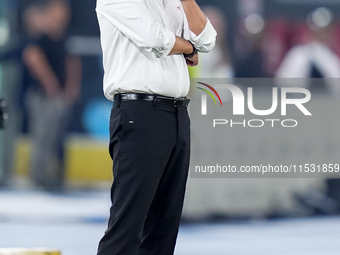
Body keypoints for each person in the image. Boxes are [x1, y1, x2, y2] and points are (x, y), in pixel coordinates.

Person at [95, 0, 217, 254]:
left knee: (164, 228)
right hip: (139, 114)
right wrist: (186, 47)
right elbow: (155, 38)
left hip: (177, 114)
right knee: (127, 226)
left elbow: (207, 40)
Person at [22, 0, 81, 191]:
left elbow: (72, 61)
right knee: (42, 136)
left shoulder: (62, 36)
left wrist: (71, 87)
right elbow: (32, 56)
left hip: (58, 96)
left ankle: (51, 176)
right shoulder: (41, 34)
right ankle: (38, 178)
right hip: (43, 95)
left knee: (56, 137)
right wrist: (49, 83)